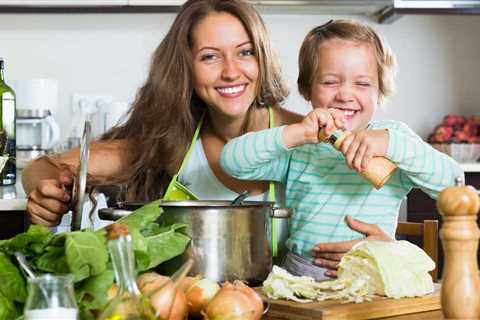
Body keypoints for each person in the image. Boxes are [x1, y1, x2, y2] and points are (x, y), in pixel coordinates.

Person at [22, 1, 390, 267]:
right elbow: (43, 167)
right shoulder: (171, 142)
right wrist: (47, 192)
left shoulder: (309, 138)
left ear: (261, 58)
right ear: (186, 68)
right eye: (211, 57)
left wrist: (389, 250)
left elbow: (374, 214)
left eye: (244, 52)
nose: (232, 72)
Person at [220, 19, 464, 280]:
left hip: (373, 274)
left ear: (380, 89)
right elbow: (232, 162)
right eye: (330, 82)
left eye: (362, 83)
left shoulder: (393, 141)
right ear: (306, 88)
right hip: (301, 274)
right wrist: (295, 133)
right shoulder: (302, 147)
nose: (346, 95)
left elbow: (454, 186)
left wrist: (392, 143)